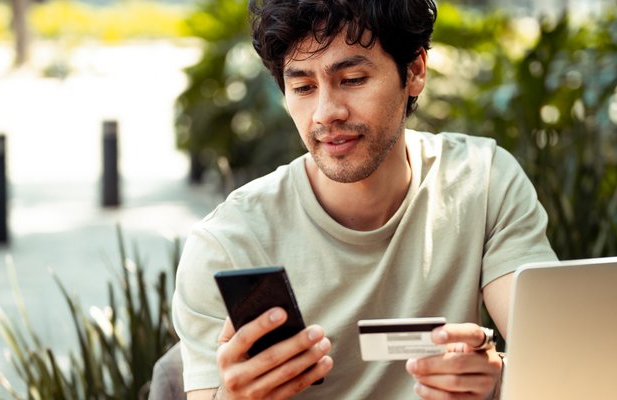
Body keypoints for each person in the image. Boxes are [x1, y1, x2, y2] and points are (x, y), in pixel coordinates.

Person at [171, 0, 558, 398]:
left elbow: (554, 359)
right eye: (303, 87)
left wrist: (499, 381)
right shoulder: (229, 243)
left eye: (352, 78)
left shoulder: (483, 180)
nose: (325, 113)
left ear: (415, 71)